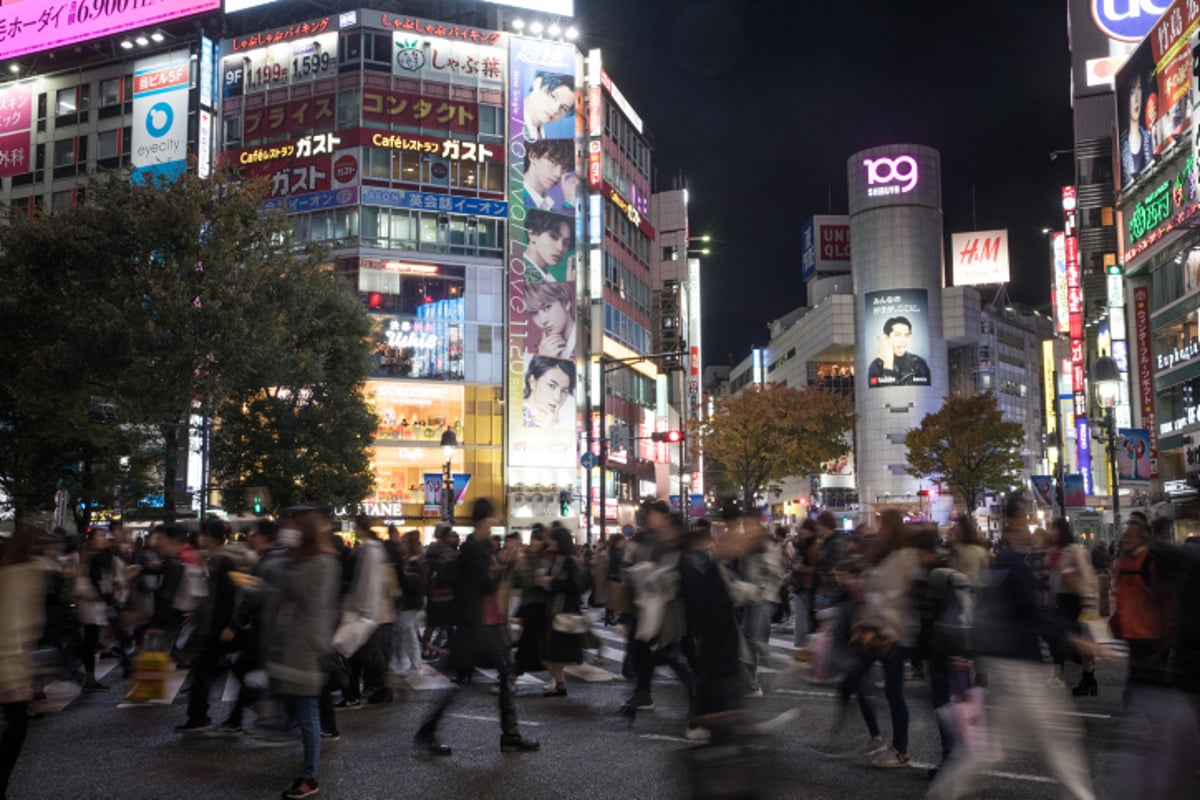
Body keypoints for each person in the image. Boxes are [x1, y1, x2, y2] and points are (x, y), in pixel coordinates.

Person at [928, 495, 1104, 800]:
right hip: (1023, 666)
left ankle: (944, 792)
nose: (1032, 526)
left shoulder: (1007, 560)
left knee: (1002, 744)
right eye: (1027, 518)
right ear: (1013, 521)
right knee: (1059, 737)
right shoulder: (1014, 563)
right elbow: (1031, 613)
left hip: (1010, 662)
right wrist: (1073, 637)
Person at [413, 498, 539, 756]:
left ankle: (507, 735)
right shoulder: (473, 548)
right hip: (477, 624)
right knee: (482, 678)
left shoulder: (477, 546)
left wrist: (502, 563)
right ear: (485, 518)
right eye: (493, 517)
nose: (495, 523)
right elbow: (486, 584)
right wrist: (506, 568)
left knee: (484, 677)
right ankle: (507, 736)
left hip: (481, 623)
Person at [264, 508, 340, 800]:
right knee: (300, 710)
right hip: (289, 648)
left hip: (307, 650)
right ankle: (302, 764)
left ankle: (310, 777)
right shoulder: (297, 559)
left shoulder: (322, 562)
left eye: (292, 527)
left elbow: (314, 607)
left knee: (308, 715)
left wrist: (320, 649)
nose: (287, 531)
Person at [855, 510, 920, 768]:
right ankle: (877, 736)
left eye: (882, 524)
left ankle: (900, 749)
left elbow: (902, 594)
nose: (878, 529)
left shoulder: (904, 557)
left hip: (893, 633)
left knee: (893, 691)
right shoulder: (882, 554)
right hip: (875, 629)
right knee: (858, 680)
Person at [176, 518, 239, 734]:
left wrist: (226, 626)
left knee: (205, 670)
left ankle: (199, 716)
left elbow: (227, 598)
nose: (200, 538)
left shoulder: (225, 561)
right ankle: (201, 716)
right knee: (207, 669)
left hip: (217, 626)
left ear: (211, 537)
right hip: (211, 625)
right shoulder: (212, 559)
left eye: (203, 534)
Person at [1, 526, 45, 800]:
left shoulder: (9, 570)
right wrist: (16, 672)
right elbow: (12, 625)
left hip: (8, 658)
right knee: (17, 726)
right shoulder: (24, 574)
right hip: (8, 660)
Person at [1045, 518, 1099, 696]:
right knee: (1057, 639)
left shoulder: (1075, 550)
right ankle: (1060, 675)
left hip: (1076, 600)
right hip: (1061, 601)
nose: (1050, 533)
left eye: (1053, 529)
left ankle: (1088, 678)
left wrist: (1089, 604)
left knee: (1081, 643)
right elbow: (1054, 579)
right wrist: (1051, 600)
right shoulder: (1053, 551)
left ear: (1062, 531)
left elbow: (1087, 575)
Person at [539, 524, 587, 697]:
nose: (548, 541)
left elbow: (576, 585)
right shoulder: (560, 559)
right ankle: (559, 684)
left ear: (559, 541)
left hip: (563, 611)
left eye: (551, 538)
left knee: (554, 652)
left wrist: (552, 583)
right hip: (556, 609)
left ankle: (559, 684)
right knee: (554, 653)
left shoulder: (568, 561)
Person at [391, 530, 427, 680]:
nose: (401, 545)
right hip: (412, 601)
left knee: (402, 631)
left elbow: (413, 583)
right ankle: (413, 665)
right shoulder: (410, 560)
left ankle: (405, 664)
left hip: (411, 602)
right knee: (408, 633)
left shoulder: (413, 562)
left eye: (404, 542)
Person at [867, 316, 931, 387]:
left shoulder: (919, 363)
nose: (903, 340)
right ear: (887, 338)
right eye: (897, 335)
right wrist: (888, 365)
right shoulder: (876, 366)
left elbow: (925, 391)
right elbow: (881, 395)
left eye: (907, 335)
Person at [523, 138, 578, 212]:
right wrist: (569, 205)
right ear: (533, 156)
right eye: (553, 162)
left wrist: (570, 202)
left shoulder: (546, 205)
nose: (558, 174)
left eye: (564, 167)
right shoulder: (518, 198)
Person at [1120, 73, 1155, 190]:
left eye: (1139, 88)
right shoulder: (1121, 147)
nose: (1136, 98)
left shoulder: (1149, 137)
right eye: (1131, 92)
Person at [525, 281, 576, 359]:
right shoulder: (541, 349)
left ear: (566, 303)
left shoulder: (586, 338)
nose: (543, 320)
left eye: (547, 307)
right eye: (534, 313)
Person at [522, 355, 575, 429]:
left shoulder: (560, 420)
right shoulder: (516, 415)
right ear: (532, 382)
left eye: (564, 391)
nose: (557, 398)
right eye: (551, 386)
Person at [523, 209, 574, 283]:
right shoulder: (522, 273)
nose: (560, 248)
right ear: (532, 234)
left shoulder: (547, 278)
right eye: (553, 237)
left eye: (566, 243)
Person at [522, 70, 575, 141]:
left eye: (564, 108)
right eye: (553, 96)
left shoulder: (540, 133)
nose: (555, 109)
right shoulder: (513, 122)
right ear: (537, 83)